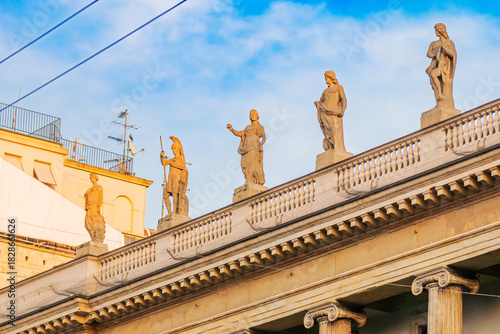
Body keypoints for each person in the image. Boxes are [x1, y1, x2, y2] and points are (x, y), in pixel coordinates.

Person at [227, 109, 266, 185]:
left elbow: (264, 137)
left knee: (252, 163)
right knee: (245, 164)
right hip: (246, 147)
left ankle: (251, 181)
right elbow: (239, 133)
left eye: (254, 114)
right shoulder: (247, 127)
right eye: (251, 114)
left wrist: (261, 145)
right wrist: (232, 129)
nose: (252, 116)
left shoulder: (260, 126)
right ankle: (248, 179)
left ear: (257, 116)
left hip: (254, 146)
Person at [314, 70, 347, 152]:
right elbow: (322, 102)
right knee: (327, 131)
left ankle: (336, 147)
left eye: (326, 77)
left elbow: (344, 99)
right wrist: (318, 104)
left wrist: (342, 110)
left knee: (334, 130)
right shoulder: (325, 91)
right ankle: (330, 147)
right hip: (325, 112)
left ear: (331, 77)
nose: (325, 79)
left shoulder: (339, 87)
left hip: (333, 112)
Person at [425, 23, 457, 108]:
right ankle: (439, 98)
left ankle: (443, 99)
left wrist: (444, 48)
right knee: (434, 78)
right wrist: (435, 54)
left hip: (445, 66)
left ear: (440, 31)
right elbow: (428, 54)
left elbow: (452, 54)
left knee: (444, 83)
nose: (435, 32)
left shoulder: (449, 42)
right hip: (436, 65)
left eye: (436, 30)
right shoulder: (433, 43)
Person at [160, 136, 189, 216]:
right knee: (165, 195)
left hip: (177, 178)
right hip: (171, 179)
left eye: (174, 149)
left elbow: (184, 169)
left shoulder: (181, 158)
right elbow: (164, 162)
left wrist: (182, 178)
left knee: (175, 194)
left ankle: (175, 211)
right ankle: (169, 212)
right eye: (172, 149)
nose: (173, 151)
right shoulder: (172, 160)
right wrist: (161, 156)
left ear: (178, 149)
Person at [84, 173, 106, 243]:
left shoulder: (99, 187)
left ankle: (95, 237)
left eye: (92, 178)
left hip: (94, 206)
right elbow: (87, 199)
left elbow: (101, 197)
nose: (91, 179)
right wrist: (86, 197)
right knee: (87, 223)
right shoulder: (89, 189)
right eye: (91, 178)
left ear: (96, 178)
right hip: (89, 207)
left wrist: (99, 206)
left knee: (94, 222)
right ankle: (92, 237)